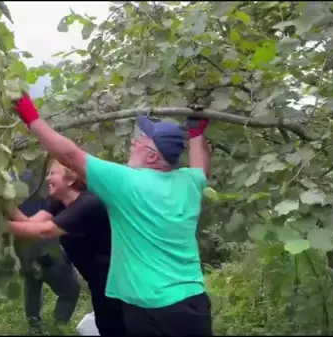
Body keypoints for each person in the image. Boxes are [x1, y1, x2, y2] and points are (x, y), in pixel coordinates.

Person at [13, 94, 213, 336]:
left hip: (151, 307)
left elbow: (70, 156)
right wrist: (196, 134)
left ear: (152, 156)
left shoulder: (127, 182)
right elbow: (200, 168)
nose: (133, 143)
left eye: (141, 139)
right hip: (193, 302)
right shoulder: (189, 182)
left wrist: (32, 117)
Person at [10, 161, 124, 336]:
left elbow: (42, 231)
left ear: (70, 180)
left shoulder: (88, 204)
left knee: (116, 327)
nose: (48, 178)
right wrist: (3, 202)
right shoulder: (59, 202)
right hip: (97, 278)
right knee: (107, 325)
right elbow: (29, 224)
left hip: (116, 280)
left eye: (53, 173)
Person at [16, 195, 80, 335]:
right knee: (70, 291)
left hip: (23, 251)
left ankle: (34, 326)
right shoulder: (47, 186)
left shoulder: (16, 183)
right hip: (46, 251)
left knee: (33, 285)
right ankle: (58, 327)